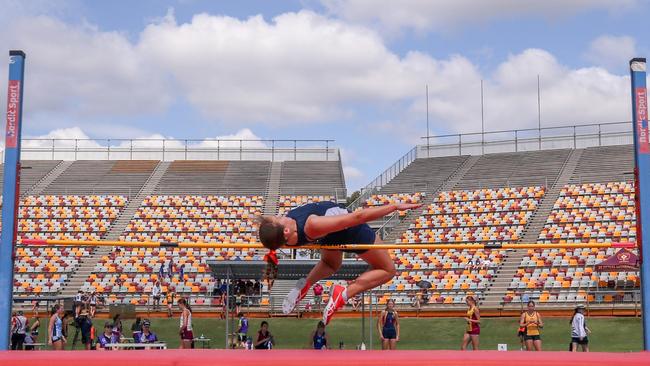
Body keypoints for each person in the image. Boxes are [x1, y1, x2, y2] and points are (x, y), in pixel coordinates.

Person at [257, 201, 421, 324]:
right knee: (388, 270)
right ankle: (343, 294)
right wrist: (394, 207)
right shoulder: (311, 225)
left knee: (330, 265)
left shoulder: (282, 237)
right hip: (351, 232)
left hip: (327, 235)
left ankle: (302, 286)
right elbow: (357, 217)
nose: (281, 216)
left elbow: (268, 231)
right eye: (279, 218)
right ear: (285, 231)